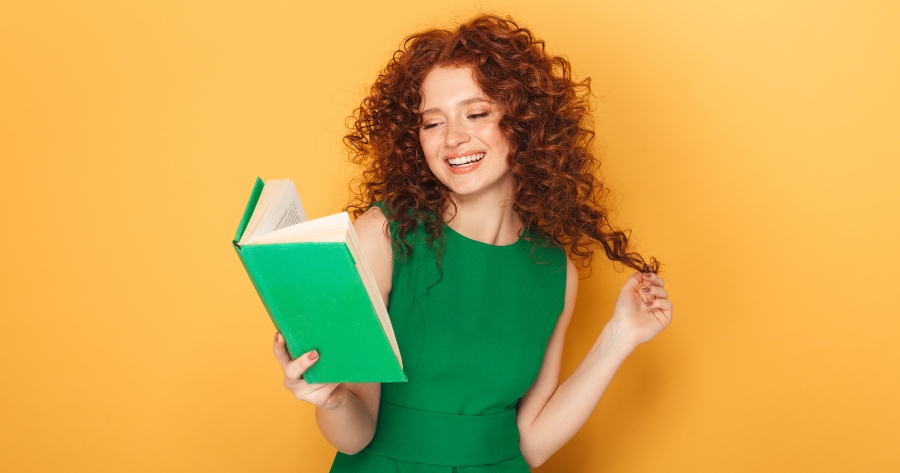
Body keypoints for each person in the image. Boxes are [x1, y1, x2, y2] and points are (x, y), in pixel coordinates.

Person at [272, 14, 673, 472]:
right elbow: (355, 438)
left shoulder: (554, 269)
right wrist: (333, 398)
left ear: (524, 122)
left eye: (476, 114)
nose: (453, 139)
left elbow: (530, 444)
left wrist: (620, 336)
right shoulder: (384, 236)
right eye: (431, 123)